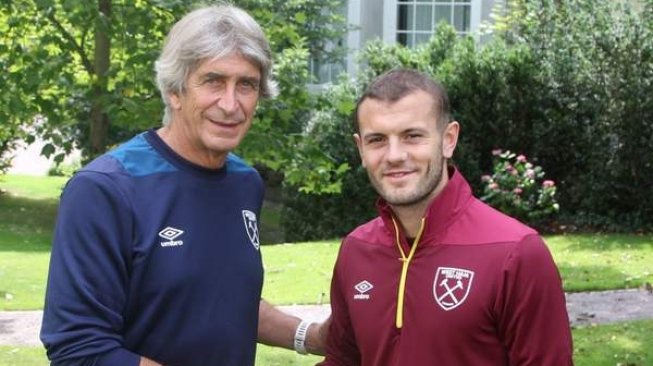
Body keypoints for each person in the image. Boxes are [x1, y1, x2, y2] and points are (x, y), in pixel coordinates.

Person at [40, 5, 324, 366]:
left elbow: (223, 302)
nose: (230, 104)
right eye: (213, 81)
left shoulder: (244, 183)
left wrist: (312, 336)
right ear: (175, 90)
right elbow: (79, 349)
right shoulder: (105, 189)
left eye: (246, 85)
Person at [318, 69, 573, 365]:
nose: (394, 155)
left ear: (448, 139)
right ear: (361, 149)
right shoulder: (356, 250)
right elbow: (342, 361)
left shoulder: (516, 253)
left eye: (412, 136)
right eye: (377, 140)